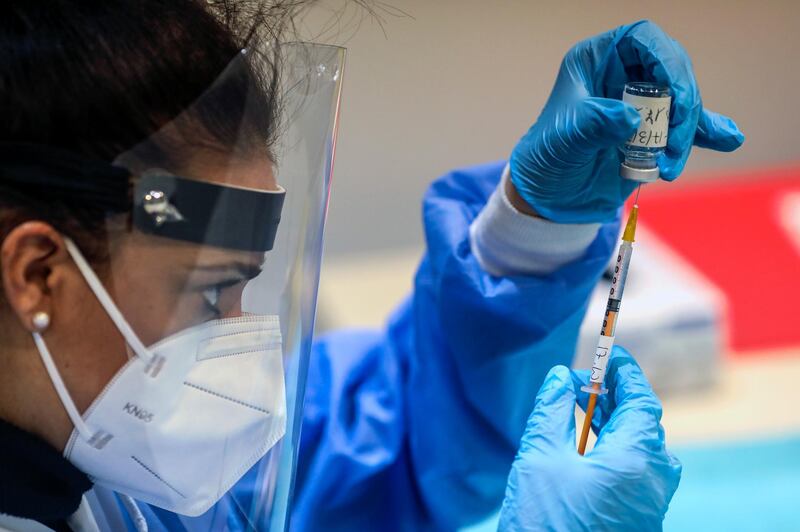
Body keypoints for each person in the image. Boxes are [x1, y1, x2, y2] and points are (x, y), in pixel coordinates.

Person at [0, 1, 743, 531]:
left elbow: (376, 449)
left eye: (245, 285)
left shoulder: (109, 448)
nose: (235, 344)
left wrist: (533, 228)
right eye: (208, 291)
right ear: (37, 274)